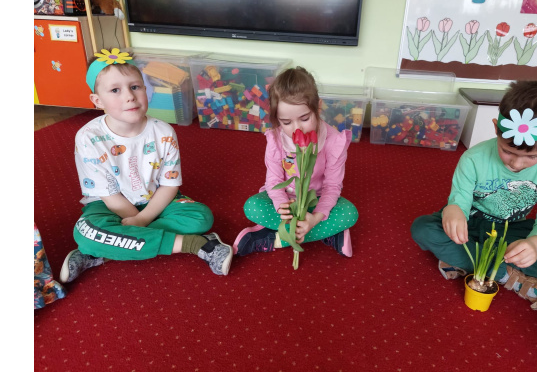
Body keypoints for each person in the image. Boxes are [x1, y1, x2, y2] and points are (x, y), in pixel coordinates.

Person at [59, 48, 232, 283]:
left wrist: (142, 220)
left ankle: (102, 252)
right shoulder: (88, 137)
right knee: (85, 233)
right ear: (97, 101)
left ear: (146, 89)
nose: (129, 96)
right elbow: (109, 196)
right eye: (115, 90)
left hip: (157, 200)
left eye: (135, 87)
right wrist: (137, 219)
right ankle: (196, 244)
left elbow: (169, 185)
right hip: (108, 206)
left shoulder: (163, 131)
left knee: (201, 217)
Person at [411, 80, 537, 313]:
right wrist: (453, 210)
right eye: (508, 151)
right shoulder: (473, 158)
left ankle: (468, 260)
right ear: (496, 127)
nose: (517, 164)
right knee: (423, 229)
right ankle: (508, 275)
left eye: (532, 157)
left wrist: (534, 245)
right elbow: (459, 202)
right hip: (471, 225)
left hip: (511, 232)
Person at [233, 66, 358, 257]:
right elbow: (274, 182)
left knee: (349, 213)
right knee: (252, 207)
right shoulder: (276, 140)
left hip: (315, 202)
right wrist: (283, 208)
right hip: (286, 201)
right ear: (278, 119)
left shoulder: (334, 142)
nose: (297, 128)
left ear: (318, 107)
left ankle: (274, 238)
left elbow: (332, 186)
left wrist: (315, 218)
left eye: (305, 118)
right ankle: (329, 234)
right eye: (286, 122)